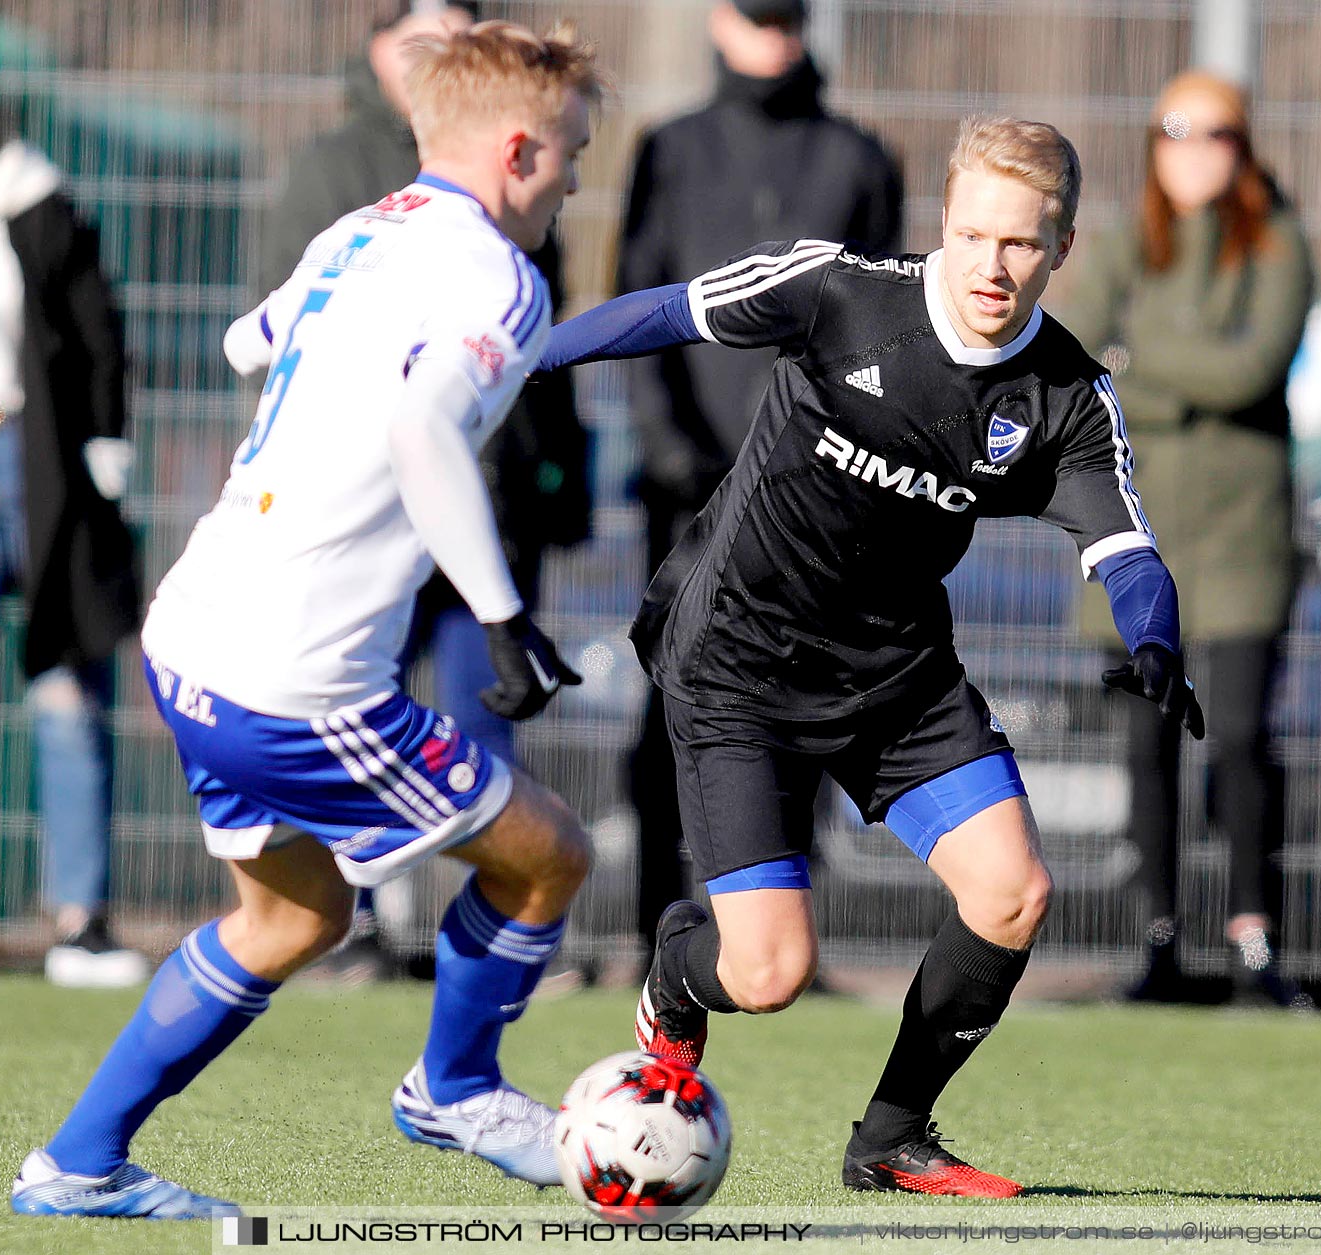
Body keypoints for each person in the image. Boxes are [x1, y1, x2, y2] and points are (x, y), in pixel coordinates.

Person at [535, 115, 1203, 1196]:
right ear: (946, 217)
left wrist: (1157, 640)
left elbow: (1126, 547)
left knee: (1012, 894)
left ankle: (891, 1133)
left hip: (894, 672)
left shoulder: (1065, 398)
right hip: (739, 658)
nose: (993, 263)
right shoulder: (840, 293)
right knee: (768, 974)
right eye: (976, 233)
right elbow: (668, 311)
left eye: (1023, 243)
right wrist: (527, 357)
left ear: (1063, 248)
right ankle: (673, 969)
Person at [8, 21, 602, 1220]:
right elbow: (425, 431)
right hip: (298, 679)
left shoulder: (364, 229)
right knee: (550, 855)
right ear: (521, 150)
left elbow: (249, 338)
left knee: (294, 915)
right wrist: (501, 616)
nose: (579, 182)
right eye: (577, 157)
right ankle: (458, 1087)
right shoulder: (502, 277)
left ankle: (75, 1166)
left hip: (193, 638)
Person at [260, 0, 592, 981]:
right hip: (366, 525)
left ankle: (479, 946)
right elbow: (281, 344)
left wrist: (554, 478)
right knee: (348, 712)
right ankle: (352, 931)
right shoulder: (343, 183)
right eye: (420, 45)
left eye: (459, 41)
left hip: (477, 506)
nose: (569, 179)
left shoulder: (512, 239)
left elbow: (540, 362)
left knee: (482, 720)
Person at [616, 0, 902, 962]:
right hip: (689, 489)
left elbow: (880, 330)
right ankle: (663, 921)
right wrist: (672, 453)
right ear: (715, 21)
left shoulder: (857, 158)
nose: (771, 36)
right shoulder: (672, 150)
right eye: (754, 15)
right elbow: (643, 302)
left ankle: (779, 931)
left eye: (787, 18)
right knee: (677, 702)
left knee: (808, 704)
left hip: (815, 496)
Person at [1049, 70, 1313, 1008]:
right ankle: (1158, 939)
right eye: (1174, 130)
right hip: (1143, 531)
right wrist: (1129, 365)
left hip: (1244, 534)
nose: (1192, 149)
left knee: (1239, 737)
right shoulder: (1124, 243)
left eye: (1214, 133)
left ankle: (1254, 941)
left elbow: (1249, 371)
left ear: (1244, 146)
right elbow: (1079, 348)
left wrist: (1136, 362)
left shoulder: (1278, 247)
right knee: (1145, 742)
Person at [0, 60, 146, 988]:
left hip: (38, 459)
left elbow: (96, 330)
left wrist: (103, 449)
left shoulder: (35, 202)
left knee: (65, 686)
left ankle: (81, 920)